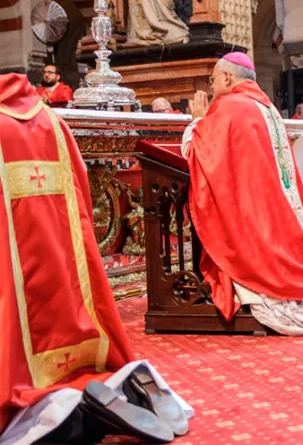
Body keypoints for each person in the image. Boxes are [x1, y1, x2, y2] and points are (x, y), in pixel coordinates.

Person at [0, 73, 190, 444]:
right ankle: (114, 391)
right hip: (62, 264)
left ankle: (71, 414)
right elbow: (83, 199)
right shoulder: (53, 122)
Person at [182, 52, 303, 336]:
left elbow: (200, 155)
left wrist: (198, 121)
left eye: (212, 79)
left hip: (256, 211)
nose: (211, 86)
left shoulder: (229, 107)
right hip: (277, 206)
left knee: (275, 275)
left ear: (227, 77)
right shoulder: (266, 107)